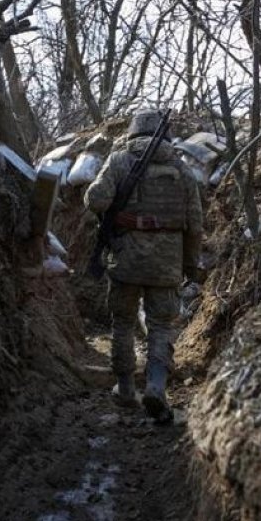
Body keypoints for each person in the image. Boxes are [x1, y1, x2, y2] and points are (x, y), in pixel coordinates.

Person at [84, 110, 204, 423]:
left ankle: (125, 388)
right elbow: (195, 226)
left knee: (123, 321)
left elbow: (94, 199)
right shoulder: (183, 170)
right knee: (161, 326)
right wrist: (191, 267)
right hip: (166, 265)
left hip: (125, 260)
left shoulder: (119, 161)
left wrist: (115, 208)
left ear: (133, 133)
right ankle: (155, 387)